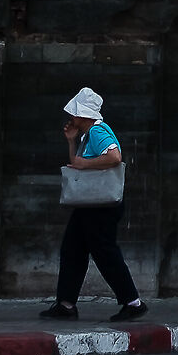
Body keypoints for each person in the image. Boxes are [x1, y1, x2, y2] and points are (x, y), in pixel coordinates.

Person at [42, 87, 145, 322]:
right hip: (91, 203)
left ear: (84, 114)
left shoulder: (98, 131)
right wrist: (71, 142)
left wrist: (84, 165)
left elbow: (114, 157)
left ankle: (132, 302)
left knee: (104, 252)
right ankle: (66, 303)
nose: (72, 117)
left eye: (75, 113)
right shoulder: (88, 135)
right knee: (73, 249)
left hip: (101, 206)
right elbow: (78, 163)